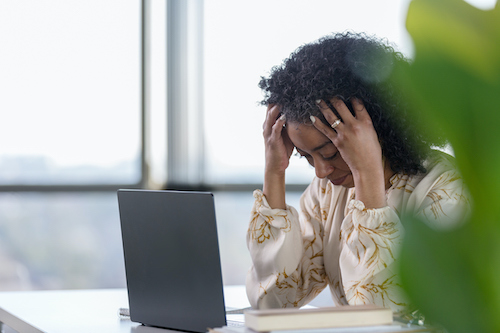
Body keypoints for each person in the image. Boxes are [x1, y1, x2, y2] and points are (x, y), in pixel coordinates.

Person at [246, 32, 470, 312]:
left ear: (372, 128)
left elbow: (384, 311)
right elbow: (273, 299)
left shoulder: (446, 189)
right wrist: (275, 172)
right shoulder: (330, 190)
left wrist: (367, 175)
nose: (320, 171)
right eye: (305, 157)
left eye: (329, 153)